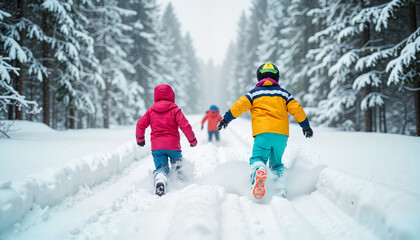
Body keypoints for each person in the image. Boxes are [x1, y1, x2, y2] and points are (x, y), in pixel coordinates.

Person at [217, 62, 313, 199]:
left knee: (258, 158)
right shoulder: (283, 94)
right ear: (276, 77)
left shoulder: (254, 94)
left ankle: (258, 172)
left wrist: (226, 119)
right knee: (277, 164)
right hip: (281, 136)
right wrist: (305, 126)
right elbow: (296, 108)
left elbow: (239, 106)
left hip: (263, 134)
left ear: (259, 77)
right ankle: (280, 188)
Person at [136, 84, 197, 196]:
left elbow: (140, 124)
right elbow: (185, 126)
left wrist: (140, 139)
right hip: (173, 146)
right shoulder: (175, 110)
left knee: (161, 167)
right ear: (171, 96)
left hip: (157, 147)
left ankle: (160, 179)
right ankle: (181, 183)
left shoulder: (151, 111)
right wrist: (192, 140)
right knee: (177, 164)